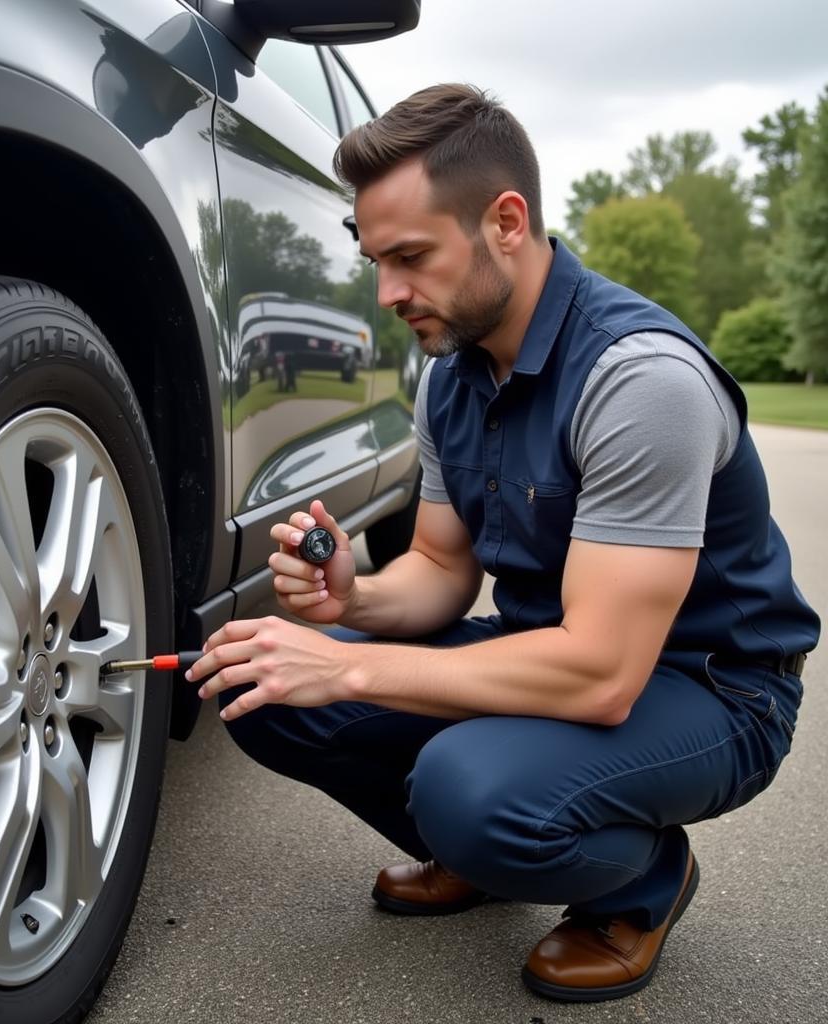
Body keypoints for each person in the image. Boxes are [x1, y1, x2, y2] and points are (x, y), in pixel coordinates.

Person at [186, 84, 819, 1002]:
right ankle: (484, 853)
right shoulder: (453, 376)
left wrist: (352, 668)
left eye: (409, 257)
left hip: (710, 687)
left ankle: (638, 888)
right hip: (550, 653)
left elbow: (602, 675)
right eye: (375, 261)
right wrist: (350, 605)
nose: (388, 294)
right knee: (259, 687)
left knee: (466, 785)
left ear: (507, 221)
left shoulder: (639, 381)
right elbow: (442, 571)